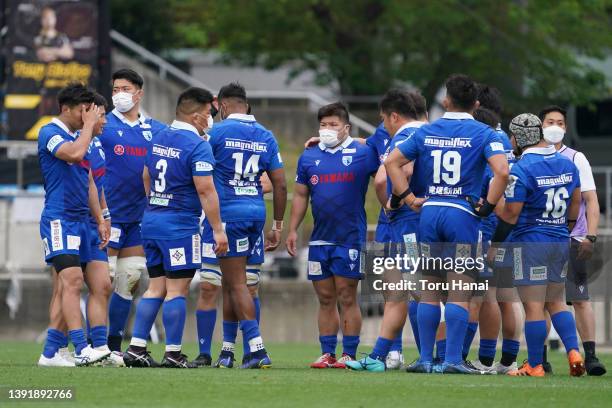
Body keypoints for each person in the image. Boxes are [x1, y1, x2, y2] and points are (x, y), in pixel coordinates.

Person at [385, 74, 509, 374]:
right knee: (460, 290)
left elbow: (391, 162)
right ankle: (452, 359)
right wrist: (488, 206)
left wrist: (409, 198)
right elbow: (502, 173)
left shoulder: (427, 131)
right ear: (476, 104)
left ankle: (426, 359)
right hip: (462, 215)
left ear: (445, 101)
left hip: (429, 212)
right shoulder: (485, 133)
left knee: (428, 288)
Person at [123, 87, 228, 368]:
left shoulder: (159, 137)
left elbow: (146, 175)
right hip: (179, 227)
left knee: (155, 288)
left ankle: (135, 349)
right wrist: (218, 230)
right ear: (196, 117)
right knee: (177, 290)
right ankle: (173, 353)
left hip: (152, 221)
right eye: (208, 114)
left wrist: (156, 205)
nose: (210, 119)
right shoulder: (197, 145)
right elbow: (206, 191)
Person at [488, 113, 585, 377]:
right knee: (556, 302)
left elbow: (511, 214)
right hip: (558, 239)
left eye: (512, 136)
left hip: (530, 242)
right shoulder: (566, 163)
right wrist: (568, 225)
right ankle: (574, 352)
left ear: (519, 138)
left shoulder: (521, 168)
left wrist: (494, 232)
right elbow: (577, 200)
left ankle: (534, 364)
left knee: (532, 305)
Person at [287, 102, 379, 369]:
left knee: (347, 296)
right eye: (323, 125)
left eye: (333, 125)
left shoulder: (362, 153)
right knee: (325, 297)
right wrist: (292, 229)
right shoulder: (309, 156)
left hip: (350, 237)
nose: (327, 129)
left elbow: (386, 161)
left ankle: (349, 354)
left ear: (346, 128)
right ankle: (327, 352)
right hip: (319, 239)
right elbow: (301, 196)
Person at [204, 82, 286, 369]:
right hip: (256, 214)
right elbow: (280, 183)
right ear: (246, 104)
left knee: (237, 283)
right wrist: (277, 225)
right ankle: (227, 351)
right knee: (233, 282)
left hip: (230, 217)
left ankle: (257, 348)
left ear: (223, 106)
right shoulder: (266, 135)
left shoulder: (215, 132)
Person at [346, 90, 428, 372]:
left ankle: (433, 357)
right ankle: (381, 355)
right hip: (430, 218)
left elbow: (385, 178)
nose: (385, 126)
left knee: (416, 290)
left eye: (384, 120)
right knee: (399, 290)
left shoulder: (405, 137)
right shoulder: (434, 132)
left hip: (408, 221)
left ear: (395, 116)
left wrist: (393, 202)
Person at [37, 83, 110, 366]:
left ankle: (51, 353)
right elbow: (74, 154)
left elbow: (90, 180)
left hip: (84, 221)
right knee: (71, 282)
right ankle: (82, 347)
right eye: (84, 110)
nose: (88, 115)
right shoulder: (49, 132)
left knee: (99, 283)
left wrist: (101, 218)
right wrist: (89, 128)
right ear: (66, 109)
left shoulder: (82, 135)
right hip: (60, 219)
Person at [101, 69, 167, 353]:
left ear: (139, 93)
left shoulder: (158, 130)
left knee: (128, 281)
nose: (119, 95)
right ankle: (88, 344)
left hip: (140, 218)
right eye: (115, 89)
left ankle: (114, 347)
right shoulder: (101, 125)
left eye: (125, 89)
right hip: (108, 217)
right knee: (101, 281)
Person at [538, 105, 606, 376]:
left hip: (572, 238)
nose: (555, 126)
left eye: (560, 122)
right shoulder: (531, 157)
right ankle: (539, 357)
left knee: (579, 298)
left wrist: (590, 235)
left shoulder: (577, 158)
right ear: (541, 126)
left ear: (566, 128)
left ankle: (590, 356)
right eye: (550, 121)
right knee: (539, 301)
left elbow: (591, 200)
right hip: (541, 239)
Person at [193, 174, 271, 367]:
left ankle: (249, 352)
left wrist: (235, 188)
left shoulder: (256, 144)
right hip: (214, 223)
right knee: (209, 285)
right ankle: (205, 353)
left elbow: (269, 183)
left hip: (246, 219)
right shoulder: (209, 145)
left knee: (248, 286)